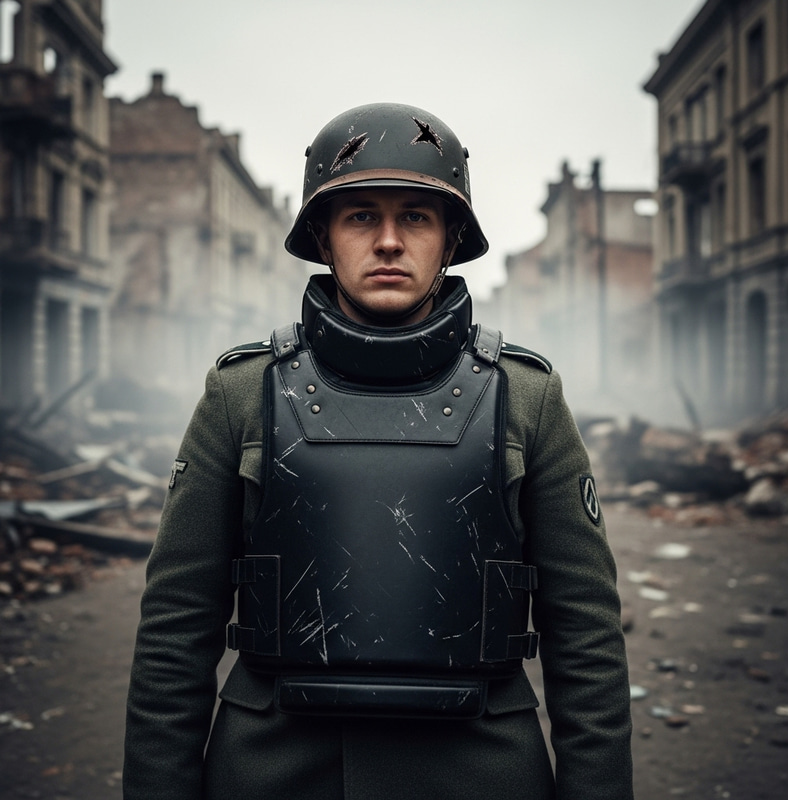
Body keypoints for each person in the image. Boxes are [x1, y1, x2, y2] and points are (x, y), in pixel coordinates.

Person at [123, 103, 633, 800]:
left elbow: (588, 639)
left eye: (416, 218)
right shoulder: (241, 393)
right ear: (324, 238)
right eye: (361, 216)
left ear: (450, 239)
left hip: (480, 771)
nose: (389, 241)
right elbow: (175, 630)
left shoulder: (528, 396)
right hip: (274, 770)